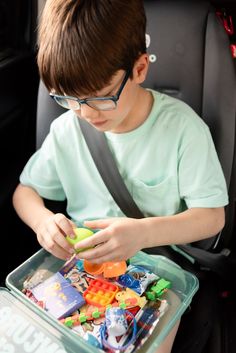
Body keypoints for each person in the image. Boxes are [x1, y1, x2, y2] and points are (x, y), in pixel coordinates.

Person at [12, 0, 228, 352]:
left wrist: (143, 233)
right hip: (81, 265)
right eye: (69, 98)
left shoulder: (183, 129)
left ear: (140, 68)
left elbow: (212, 216)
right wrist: (44, 222)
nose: (85, 112)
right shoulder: (68, 128)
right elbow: (25, 192)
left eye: (100, 98)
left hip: (158, 268)